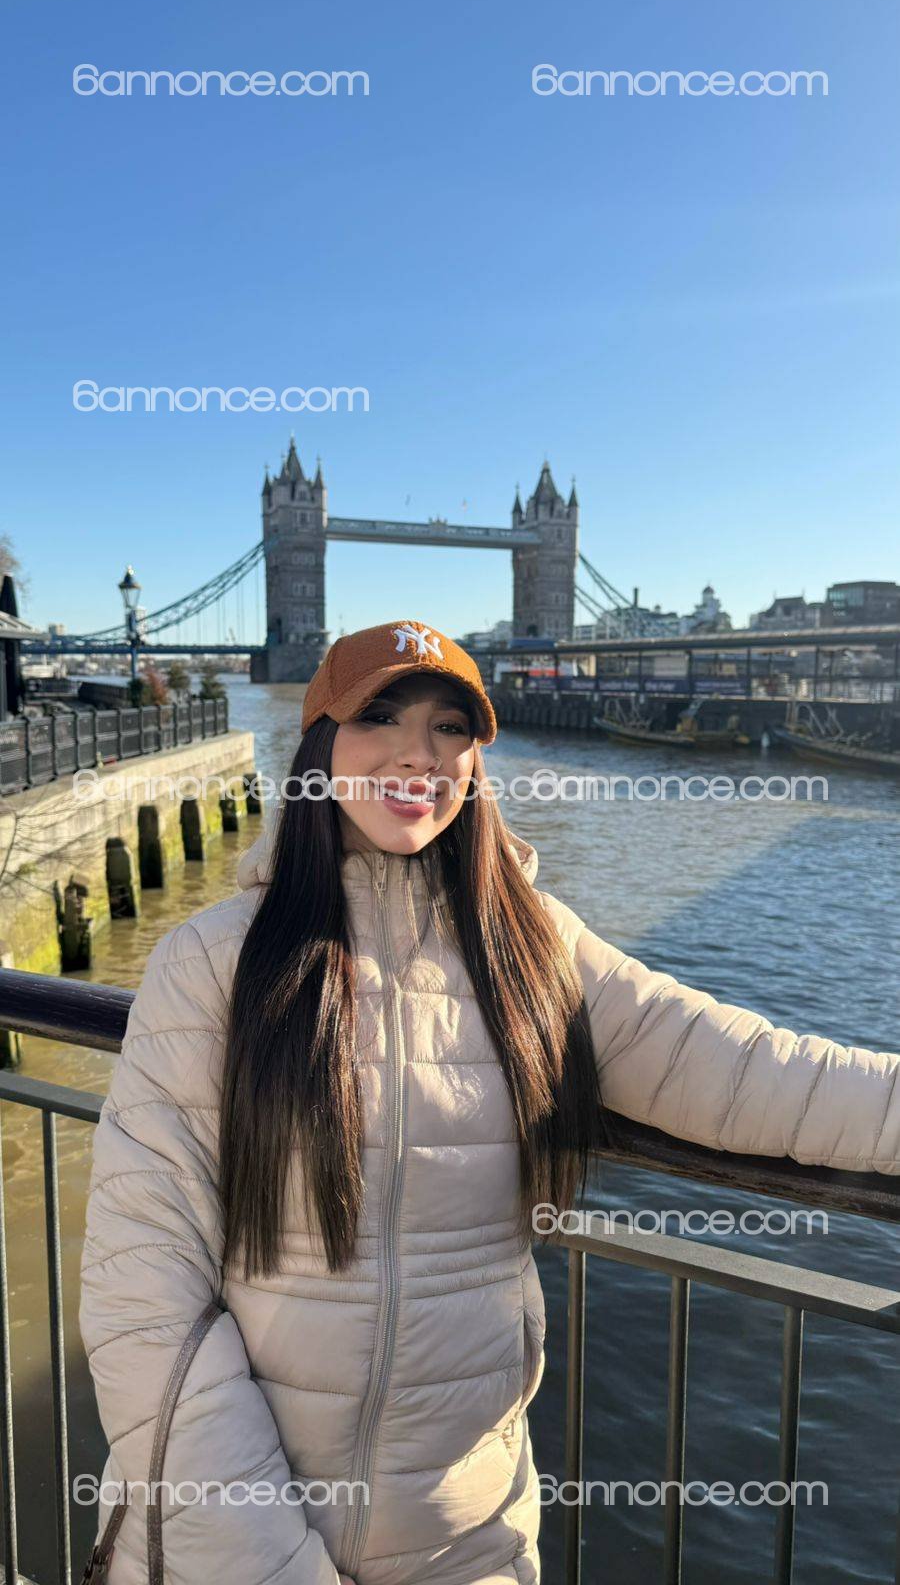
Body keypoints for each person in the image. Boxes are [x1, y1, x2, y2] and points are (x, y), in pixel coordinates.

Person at [79, 618, 900, 1585]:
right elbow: (145, 1299)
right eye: (378, 717)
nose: (417, 754)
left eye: (450, 726)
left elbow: (754, 1074)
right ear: (317, 747)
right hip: (228, 1549)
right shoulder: (213, 963)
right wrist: (270, 1566)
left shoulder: (535, 950)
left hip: (469, 1545)